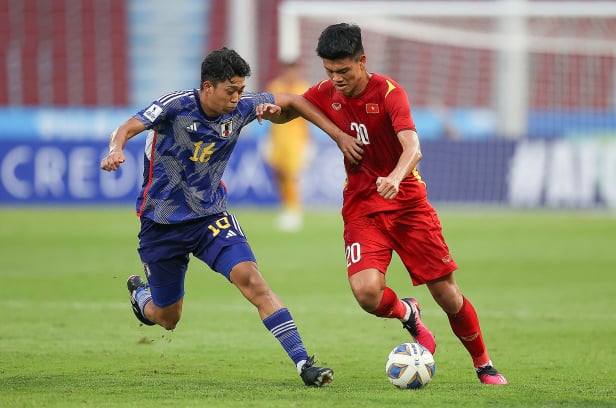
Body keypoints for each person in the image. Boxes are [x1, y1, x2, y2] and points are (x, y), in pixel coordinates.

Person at [274, 23, 508, 385]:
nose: (335, 79)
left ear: (362, 61)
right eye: (329, 71)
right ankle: (408, 313)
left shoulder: (389, 93)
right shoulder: (326, 92)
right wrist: (272, 113)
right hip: (362, 209)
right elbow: (293, 105)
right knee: (367, 294)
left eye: (344, 71)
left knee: (447, 294)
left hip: (408, 205)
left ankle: (484, 365)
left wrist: (396, 177)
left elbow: (413, 147)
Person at [99, 47, 348, 387]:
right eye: (230, 91)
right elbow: (128, 126)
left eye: (241, 90)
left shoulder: (243, 108)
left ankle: (304, 362)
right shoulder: (175, 106)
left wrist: (284, 116)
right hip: (162, 224)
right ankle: (140, 296)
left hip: (210, 217)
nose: (237, 98)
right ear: (208, 87)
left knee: (253, 281)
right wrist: (115, 149)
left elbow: (291, 101)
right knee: (167, 318)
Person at [265, 61, 311, 231]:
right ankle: (286, 206)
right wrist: (268, 140)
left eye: (294, 70)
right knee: (279, 173)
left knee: (291, 174)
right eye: (289, 70)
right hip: (278, 136)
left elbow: (308, 117)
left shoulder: (303, 88)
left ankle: (294, 210)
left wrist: (308, 142)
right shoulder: (275, 86)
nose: (292, 74)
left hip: (295, 139)